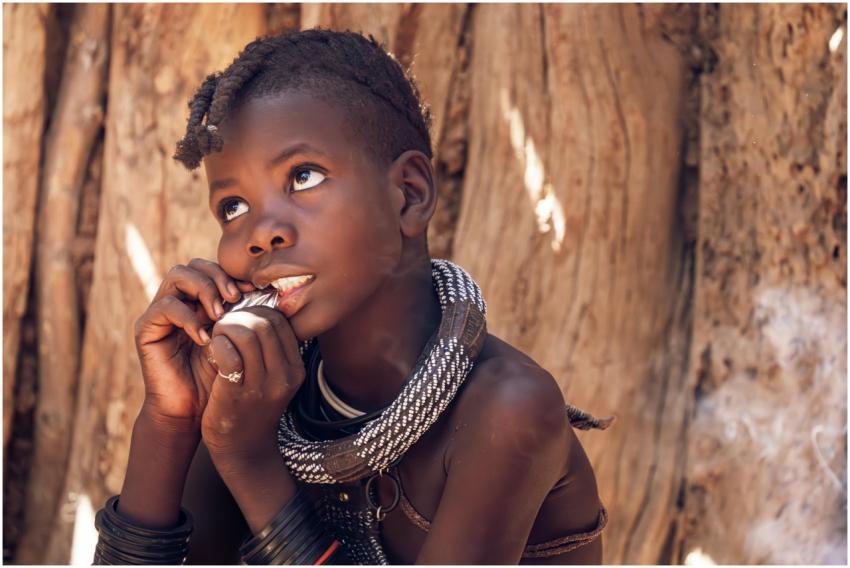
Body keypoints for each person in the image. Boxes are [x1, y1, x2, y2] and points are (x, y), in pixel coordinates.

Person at [93, 28, 611, 565]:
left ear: (409, 194)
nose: (260, 233)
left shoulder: (509, 409)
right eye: (233, 207)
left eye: (304, 176)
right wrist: (171, 418)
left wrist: (248, 460)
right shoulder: (261, 394)